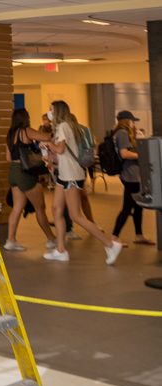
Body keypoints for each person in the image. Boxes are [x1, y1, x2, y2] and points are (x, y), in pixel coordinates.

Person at [43, 100, 122, 265]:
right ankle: (61, 250)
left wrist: (48, 144)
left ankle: (110, 244)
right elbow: (61, 154)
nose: (49, 112)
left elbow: (61, 149)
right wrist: (51, 157)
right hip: (65, 175)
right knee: (56, 209)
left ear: (58, 111)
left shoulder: (63, 126)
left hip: (70, 176)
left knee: (76, 215)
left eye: (51, 109)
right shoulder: (69, 126)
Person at [3, 108, 55, 251]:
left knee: (17, 207)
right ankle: (51, 239)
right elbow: (46, 137)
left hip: (13, 172)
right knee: (40, 208)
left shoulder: (10, 134)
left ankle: (11, 240)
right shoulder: (26, 131)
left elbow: (8, 158)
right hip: (25, 172)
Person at [111, 110, 153, 244]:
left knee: (138, 205)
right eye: (132, 121)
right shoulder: (122, 133)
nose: (134, 123)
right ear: (127, 121)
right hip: (131, 175)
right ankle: (114, 237)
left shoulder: (122, 133)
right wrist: (142, 156)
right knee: (127, 207)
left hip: (132, 174)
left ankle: (139, 235)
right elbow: (124, 154)